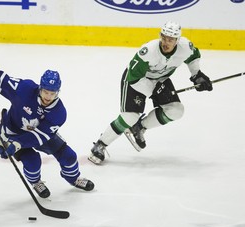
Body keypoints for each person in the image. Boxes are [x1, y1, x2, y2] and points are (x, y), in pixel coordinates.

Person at [88, 21, 213, 165]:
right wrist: (154, 90)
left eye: (170, 39)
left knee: (176, 110)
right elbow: (133, 77)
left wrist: (197, 74)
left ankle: (140, 127)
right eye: (164, 37)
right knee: (129, 117)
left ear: (177, 40)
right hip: (136, 80)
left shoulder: (185, 47)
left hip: (160, 79)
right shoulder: (149, 51)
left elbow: (193, 56)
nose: (166, 42)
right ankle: (100, 144)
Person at [0, 69, 94, 198]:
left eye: (52, 93)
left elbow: (39, 137)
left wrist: (18, 145)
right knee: (32, 161)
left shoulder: (59, 113)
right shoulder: (25, 89)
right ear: (40, 88)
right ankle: (36, 182)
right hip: (12, 132)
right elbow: (1, 80)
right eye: (46, 92)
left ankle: (73, 178)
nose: (48, 97)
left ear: (58, 92)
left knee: (69, 156)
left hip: (37, 135)